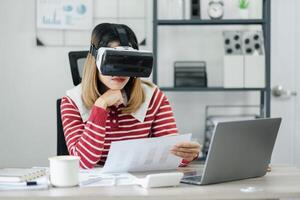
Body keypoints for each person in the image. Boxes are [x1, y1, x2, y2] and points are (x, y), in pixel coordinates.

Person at [60, 23, 201, 169]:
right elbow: (82, 162)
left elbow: (169, 155)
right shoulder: (72, 102)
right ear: (95, 60)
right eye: (112, 60)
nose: (119, 71)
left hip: (140, 183)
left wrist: (186, 154)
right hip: (95, 186)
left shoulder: (153, 97)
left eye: (126, 61)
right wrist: (100, 106)